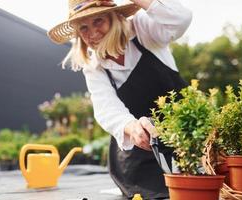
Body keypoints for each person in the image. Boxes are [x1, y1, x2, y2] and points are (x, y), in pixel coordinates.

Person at [48, 0, 192, 199]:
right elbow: (106, 108)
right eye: (83, 27)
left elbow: (181, 19)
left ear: (114, 17)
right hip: (141, 154)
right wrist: (131, 127)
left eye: (98, 21)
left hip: (186, 136)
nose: (92, 33)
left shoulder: (143, 30)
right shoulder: (94, 67)